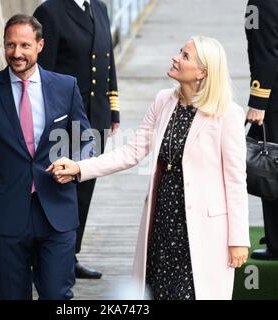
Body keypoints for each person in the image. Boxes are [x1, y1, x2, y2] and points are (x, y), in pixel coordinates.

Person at [48, 36, 250, 300]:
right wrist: (79, 168)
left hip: (204, 233)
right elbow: (130, 152)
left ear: (203, 72)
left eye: (185, 56)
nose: (176, 57)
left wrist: (238, 239)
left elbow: (235, 181)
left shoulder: (227, 114)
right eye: (180, 51)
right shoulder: (164, 101)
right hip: (162, 226)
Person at [0, 14, 93, 300]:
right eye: (10, 45)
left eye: (25, 46)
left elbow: (85, 140)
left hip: (57, 212)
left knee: (57, 295)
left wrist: (76, 166)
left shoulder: (66, 86)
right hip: (7, 217)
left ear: (40, 45)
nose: (16, 53)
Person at [33, 0, 120, 279]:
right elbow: (41, 73)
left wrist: (113, 107)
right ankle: (47, 258)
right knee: (58, 190)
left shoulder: (100, 8)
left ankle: (70, 256)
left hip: (96, 117)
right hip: (63, 121)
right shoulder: (50, 12)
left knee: (84, 188)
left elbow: (108, 60)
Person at [245, 0, 278, 260]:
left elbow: (266, 54)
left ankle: (276, 244)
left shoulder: (261, 3)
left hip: (273, 101)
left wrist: (257, 102)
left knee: (270, 170)